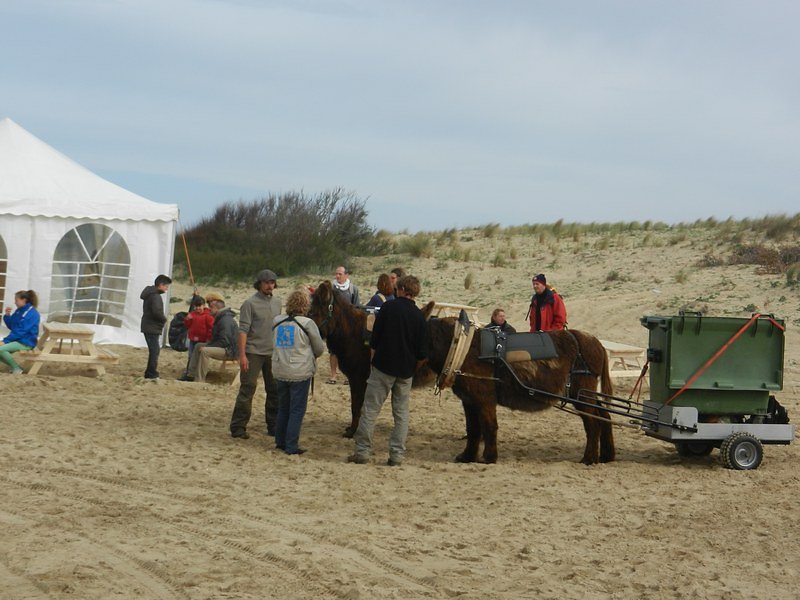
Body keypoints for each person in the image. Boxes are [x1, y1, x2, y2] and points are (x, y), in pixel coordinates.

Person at [347, 275, 427, 467]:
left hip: (383, 366)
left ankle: (362, 452)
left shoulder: (388, 308)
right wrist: (412, 367)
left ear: (400, 289)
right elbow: (422, 353)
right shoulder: (419, 316)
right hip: (405, 371)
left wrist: (374, 360)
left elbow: (374, 339)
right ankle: (396, 455)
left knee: (370, 409)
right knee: (401, 414)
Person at [272, 289, 326, 455]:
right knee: (296, 410)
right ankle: (291, 445)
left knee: (283, 407)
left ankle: (280, 441)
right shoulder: (307, 323)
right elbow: (319, 348)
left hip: (280, 369)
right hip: (299, 371)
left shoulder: (277, 320)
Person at [230, 269, 281, 439]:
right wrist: (242, 355)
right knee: (247, 389)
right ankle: (238, 427)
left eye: (272, 282)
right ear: (259, 283)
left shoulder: (277, 303)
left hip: (272, 353)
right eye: (266, 282)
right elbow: (243, 330)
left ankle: (273, 425)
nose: (269, 285)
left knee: (274, 390)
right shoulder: (249, 304)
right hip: (253, 352)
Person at [180, 294, 238, 383]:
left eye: (211, 307)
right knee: (198, 345)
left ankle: (199, 379)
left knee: (205, 351)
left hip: (230, 351)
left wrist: (209, 346)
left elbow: (224, 341)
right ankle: (190, 374)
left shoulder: (225, 320)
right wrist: (209, 344)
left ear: (216, 308)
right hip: (225, 347)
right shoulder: (221, 318)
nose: (209, 309)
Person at [328, 265, 359, 384]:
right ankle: (333, 375)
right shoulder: (331, 288)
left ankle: (348, 376)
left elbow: (356, 305)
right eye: (336, 274)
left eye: (340, 274)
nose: (337, 276)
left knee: (348, 350)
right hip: (334, 324)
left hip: (348, 325)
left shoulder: (353, 289)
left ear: (346, 275)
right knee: (333, 350)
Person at [1, 290, 41, 375]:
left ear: (24, 300)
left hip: (26, 342)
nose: (15, 302)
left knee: (0, 350)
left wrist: (5, 341)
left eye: (16, 300)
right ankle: (15, 367)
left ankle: (16, 368)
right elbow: (13, 326)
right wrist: (7, 315)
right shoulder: (20, 310)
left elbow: (20, 331)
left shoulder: (31, 313)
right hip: (19, 339)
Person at [140, 274, 171, 379]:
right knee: (154, 351)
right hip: (152, 327)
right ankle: (151, 373)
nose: (167, 289)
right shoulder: (155, 296)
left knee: (154, 350)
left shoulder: (150, 294)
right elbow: (157, 312)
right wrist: (164, 319)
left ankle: (150, 372)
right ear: (161, 285)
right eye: (166, 286)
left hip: (148, 326)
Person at [181, 295, 214, 378]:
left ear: (203, 305)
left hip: (202, 340)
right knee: (191, 356)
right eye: (196, 306)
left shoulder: (208, 315)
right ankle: (189, 372)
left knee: (199, 357)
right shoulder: (192, 314)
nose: (197, 308)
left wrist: (208, 339)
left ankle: (196, 373)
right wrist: (187, 319)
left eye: (199, 306)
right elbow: (187, 326)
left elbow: (211, 329)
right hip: (192, 339)